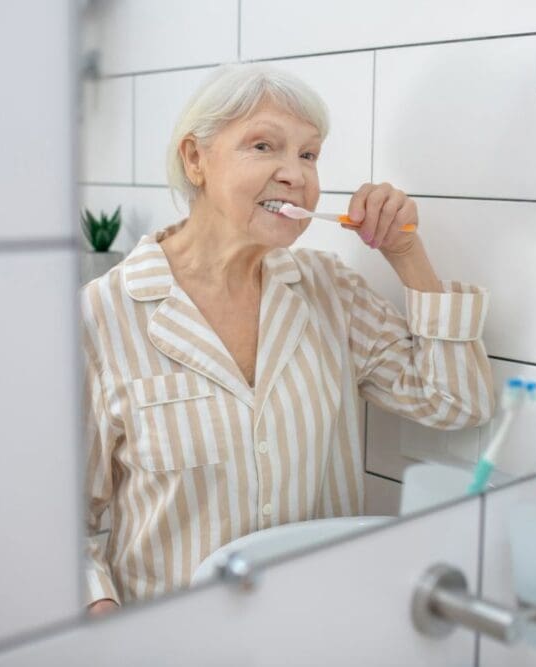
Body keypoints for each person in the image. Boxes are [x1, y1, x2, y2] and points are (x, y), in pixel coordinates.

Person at [81, 63, 494, 616]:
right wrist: (103, 619)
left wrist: (407, 254)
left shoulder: (331, 292)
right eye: (263, 146)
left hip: (318, 629)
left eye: (309, 154)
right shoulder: (101, 316)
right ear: (195, 158)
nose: (296, 173)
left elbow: (458, 403)